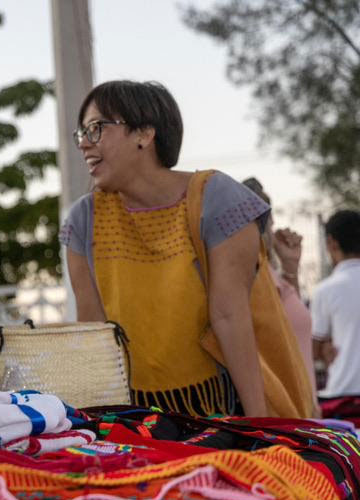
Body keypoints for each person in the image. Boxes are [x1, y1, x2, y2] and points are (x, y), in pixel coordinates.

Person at [60, 80, 312, 418]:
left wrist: (259, 426)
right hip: (135, 416)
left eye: (96, 129)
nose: (84, 145)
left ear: (144, 134)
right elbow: (93, 334)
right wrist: (94, 430)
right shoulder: (83, 219)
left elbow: (230, 317)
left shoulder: (217, 199)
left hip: (224, 405)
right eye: (81, 134)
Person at [241, 177, 317, 396]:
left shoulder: (273, 279)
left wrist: (291, 267)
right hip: (284, 417)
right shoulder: (249, 282)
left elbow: (293, 335)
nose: (268, 230)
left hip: (304, 413)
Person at [312, 209, 360, 398]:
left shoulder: (327, 290)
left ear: (331, 242)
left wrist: (325, 348)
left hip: (344, 395)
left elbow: (314, 351)